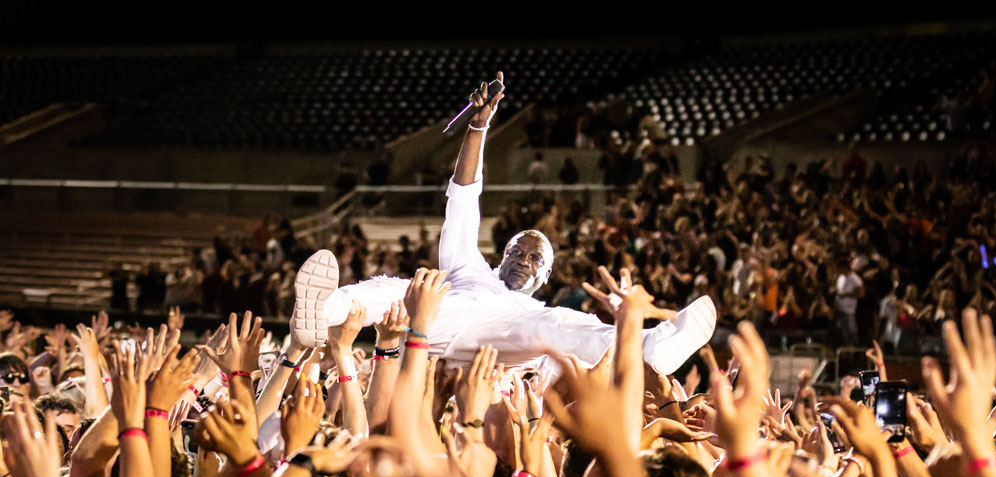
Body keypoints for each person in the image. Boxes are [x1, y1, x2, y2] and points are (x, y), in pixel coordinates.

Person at [290, 71, 716, 375]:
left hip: (506, 345)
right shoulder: (470, 269)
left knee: (565, 325)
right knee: (395, 286)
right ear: (502, 255)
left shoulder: (536, 314)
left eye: (535, 257)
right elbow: (463, 196)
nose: (523, 259)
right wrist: (478, 127)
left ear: (547, 274)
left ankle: (653, 347)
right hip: (433, 323)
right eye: (516, 250)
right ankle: (319, 313)